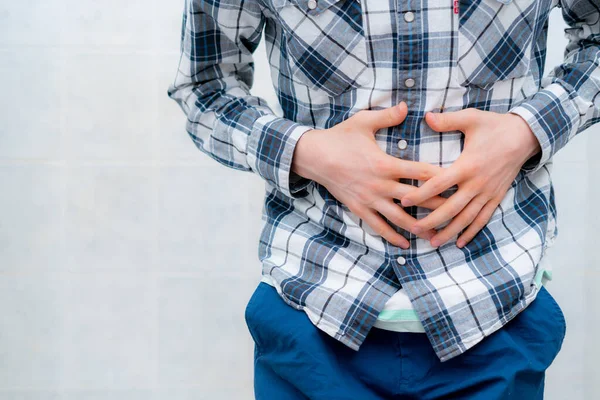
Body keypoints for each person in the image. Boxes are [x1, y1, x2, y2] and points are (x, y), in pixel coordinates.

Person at [168, 0, 597, 398]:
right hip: (313, 314)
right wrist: (306, 152)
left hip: (496, 310)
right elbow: (206, 86)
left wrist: (527, 131)